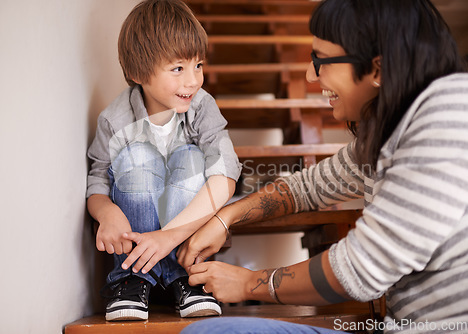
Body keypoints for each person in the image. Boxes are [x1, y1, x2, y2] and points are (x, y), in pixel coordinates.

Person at [178, 0, 468, 333]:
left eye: (321, 61)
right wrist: (225, 216)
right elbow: (306, 188)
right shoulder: (389, 134)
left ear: (378, 69)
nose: (310, 75)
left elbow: (360, 268)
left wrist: (248, 284)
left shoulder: (449, 112)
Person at [86, 0, 241, 321]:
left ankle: (186, 277)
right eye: (178, 68)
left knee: (190, 156)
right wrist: (107, 213)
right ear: (138, 73)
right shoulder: (115, 120)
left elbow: (226, 171)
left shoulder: (202, 106)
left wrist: (168, 237)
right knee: (138, 155)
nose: (194, 80)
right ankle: (131, 278)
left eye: (198, 65)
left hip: (185, 241)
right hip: (135, 241)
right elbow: (98, 179)